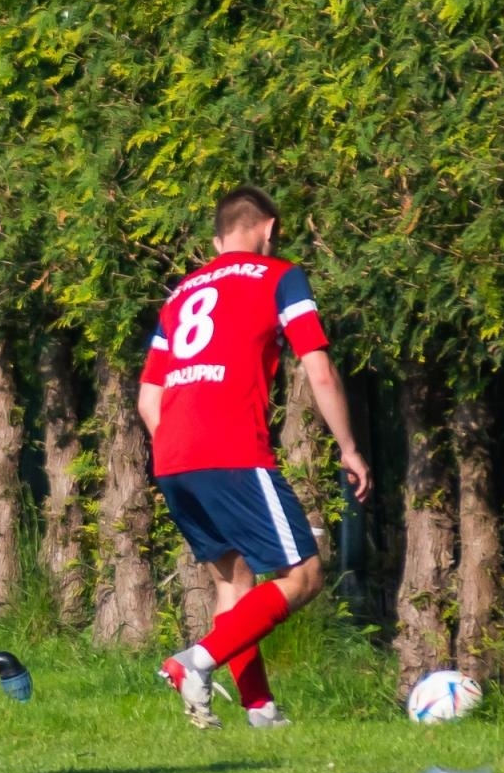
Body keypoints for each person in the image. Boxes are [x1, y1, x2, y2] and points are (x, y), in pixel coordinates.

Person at [141, 185, 370, 729]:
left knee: (232, 583)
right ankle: (193, 662)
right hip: (232, 450)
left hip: (172, 455)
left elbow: (148, 400)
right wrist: (349, 448)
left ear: (219, 237)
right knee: (306, 576)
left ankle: (260, 709)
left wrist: (181, 442)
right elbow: (318, 369)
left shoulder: (178, 297)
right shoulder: (279, 276)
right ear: (268, 228)